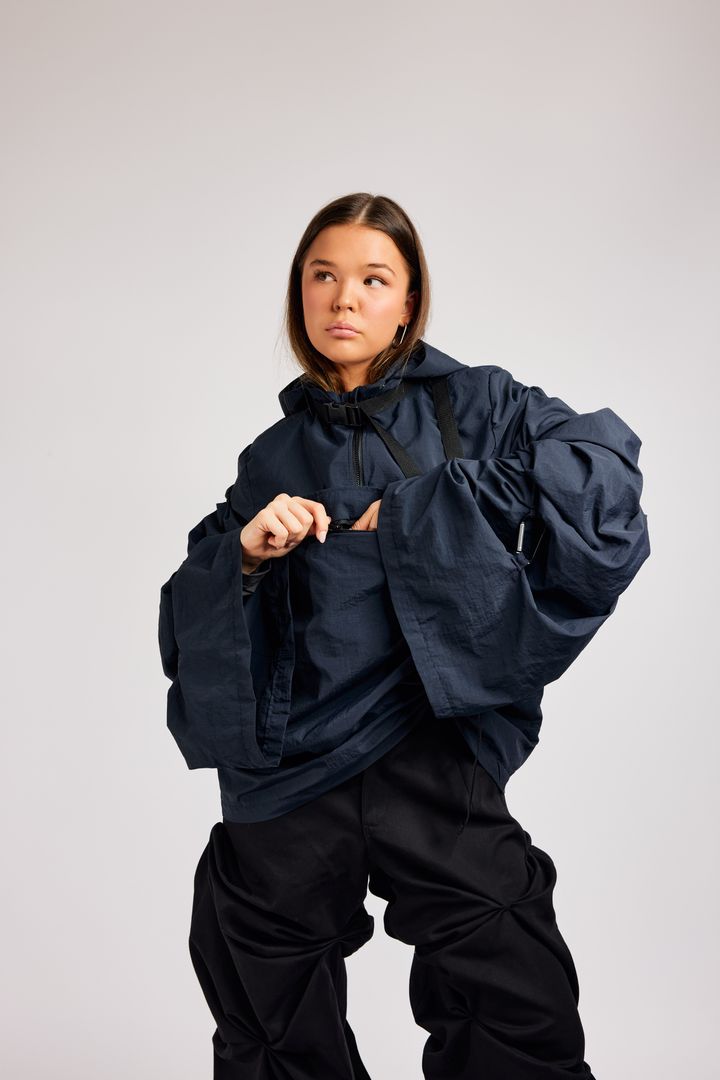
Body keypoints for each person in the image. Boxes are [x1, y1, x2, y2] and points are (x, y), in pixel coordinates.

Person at [158, 192, 651, 1079]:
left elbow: (600, 478)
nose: (344, 298)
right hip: (291, 770)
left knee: (512, 990)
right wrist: (246, 553)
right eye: (323, 276)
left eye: (372, 279)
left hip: (432, 747)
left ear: (409, 302)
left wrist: (424, 507)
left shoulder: (479, 404)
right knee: (264, 1009)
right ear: (300, 293)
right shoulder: (270, 457)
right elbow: (188, 616)